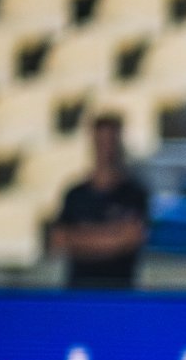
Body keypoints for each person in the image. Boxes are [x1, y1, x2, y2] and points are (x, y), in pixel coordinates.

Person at [51, 114, 149, 289]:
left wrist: (81, 238)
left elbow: (132, 239)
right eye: (101, 141)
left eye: (111, 141)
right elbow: (60, 240)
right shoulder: (75, 194)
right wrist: (113, 237)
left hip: (120, 294)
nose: (106, 148)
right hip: (79, 293)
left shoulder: (134, 194)